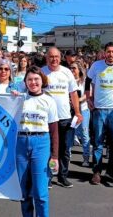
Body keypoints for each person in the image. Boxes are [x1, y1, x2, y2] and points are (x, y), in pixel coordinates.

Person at [16, 66, 59, 217]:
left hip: (41, 143)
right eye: (29, 79)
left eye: (36, 79)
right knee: (24, 191)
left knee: (40, 192)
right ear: (25, 82)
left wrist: (54, 156)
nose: (33, 82)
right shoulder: (19, 98)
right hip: (21, 142)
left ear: (42, 80)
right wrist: (11, 97)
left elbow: (54, 130)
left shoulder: (49, 101)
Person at [86, 42, 113, 185]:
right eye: (108, 51)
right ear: (105, 53)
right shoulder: (96, 66)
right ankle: (97, 172)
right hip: (99, 110)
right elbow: (88, 80)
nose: (111, 54)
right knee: (97, 142)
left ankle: (111, 170)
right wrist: (88, 98)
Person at [42, 47, 82, 188]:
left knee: (65, 149)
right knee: (50, 149)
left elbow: (73, 94)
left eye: (56, 56)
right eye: (51, 56)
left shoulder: (66, 73)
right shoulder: (42, 72)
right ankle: (48, 176)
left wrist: (77, 112)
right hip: (47, 119)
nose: (54, 59)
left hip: (65, 117)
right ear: (47, 58)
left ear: (61, 57)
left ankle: (62, 176)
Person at [69, 61, 91, 167]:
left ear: (79, 69)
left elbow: (88, 94)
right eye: (71, 68)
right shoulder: (68, 81)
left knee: (84, 133)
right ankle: (67, 156)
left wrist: (76, 100)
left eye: (74, 68)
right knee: (70, 133)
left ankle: (86, 157)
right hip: (70, 112)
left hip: (83, 110)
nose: (72, 70)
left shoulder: (84, 81)